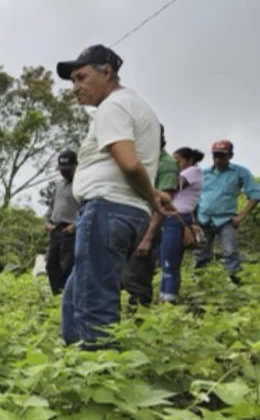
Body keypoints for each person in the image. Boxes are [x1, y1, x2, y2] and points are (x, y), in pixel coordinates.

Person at [56, 44, 173, 349]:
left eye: (81, 77)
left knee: (94, 298)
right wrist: (152, 196)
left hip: (107, 208)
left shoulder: (113, 105)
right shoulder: (137, 104)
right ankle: (72, 359)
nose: (75, 88)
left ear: (106, 72)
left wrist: (150, 194)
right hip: (125, 211)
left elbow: (130, 164)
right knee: (75, 293)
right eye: (72, 81)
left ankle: (98, 373)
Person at [121, 124, 179, 307]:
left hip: (146, 226)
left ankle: (141, 324)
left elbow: (163, 204)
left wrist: (148, 237)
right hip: (126, 222)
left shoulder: (166, 164)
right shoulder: (142, 159)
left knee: (136, 280)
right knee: (117, 277)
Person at [194, 140, 260, 285]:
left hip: (226, 220)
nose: (218, 159)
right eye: (215, 156)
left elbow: (255, 195)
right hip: (204, 219)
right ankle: (200, 283)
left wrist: (241, 216)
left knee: (230, 252)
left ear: (230, 155)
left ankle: (236, 282)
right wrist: (194, 218)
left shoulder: (240, 172)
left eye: (222, 156)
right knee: (201, 253)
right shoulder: (203, 173)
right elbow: (193, 195)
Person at [159, 147, 205, 303]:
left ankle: (169, 300)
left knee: (170, 262)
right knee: (166, 260)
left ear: (190, 160)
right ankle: (164, 297)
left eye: (178, 160)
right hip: (172, 217)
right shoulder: (187, 171)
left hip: (178, 217)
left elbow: (173, 186)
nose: (175, 163)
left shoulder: (192, 171)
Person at [45, 151, 80, 296]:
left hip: (71, 231)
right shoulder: (59, 185)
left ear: (76, 166)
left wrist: (76, 226)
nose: (64, 173)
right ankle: (57, 296)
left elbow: (88, 208)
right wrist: (47, 221)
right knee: (51, 265)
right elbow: (52, 206)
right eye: (61, 169)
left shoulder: (81, 185)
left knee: (67, 268)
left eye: (67, 169)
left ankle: (67, 298)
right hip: (56, 230)